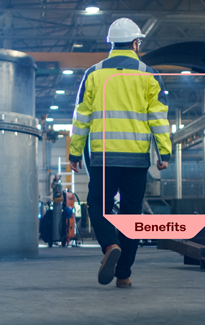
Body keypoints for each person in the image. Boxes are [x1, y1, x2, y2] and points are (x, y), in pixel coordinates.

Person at [69, 18, 172, 288]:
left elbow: (81, 117)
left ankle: (109, 245)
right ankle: (124, 275)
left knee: (97, 206)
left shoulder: (94, 73)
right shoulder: (149, 74)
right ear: (136, 43)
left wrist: (74, 153)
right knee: (131, 216)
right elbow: (158, 118)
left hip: (103, 157)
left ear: (111, 44)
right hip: (137, 160)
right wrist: (164, 153)